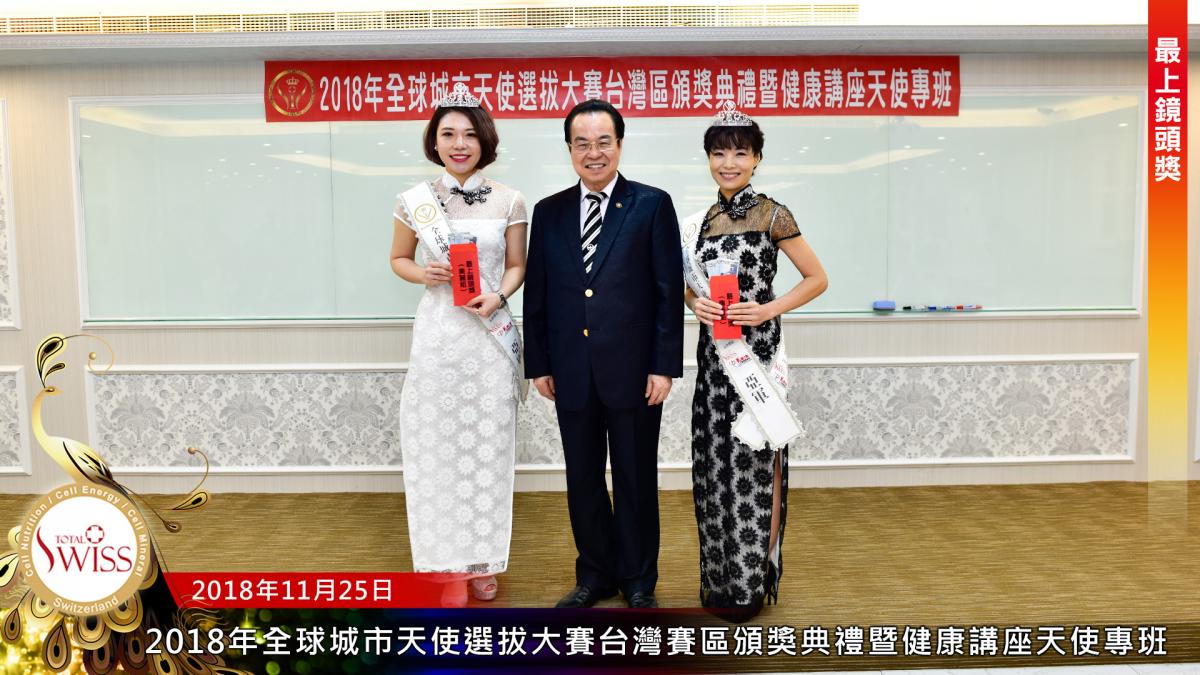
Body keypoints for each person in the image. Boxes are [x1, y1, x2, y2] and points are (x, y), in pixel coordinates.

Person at [524, 99, 683, 609]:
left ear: (619, 144)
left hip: (635, 372)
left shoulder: (651, 205)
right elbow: (538, 294)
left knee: (636, 478)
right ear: (569, 148)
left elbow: (667, 291)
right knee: (583, 479)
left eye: (603, 142)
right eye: (582, 143)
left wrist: (663, 366)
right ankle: (595, 575)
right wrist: (539, 364)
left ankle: (638, 580)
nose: (593, 153)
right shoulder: (548, 212)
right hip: (570, 369)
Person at [685, 105, 828, 621]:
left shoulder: (773, 214)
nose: (729, 163)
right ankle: (720, 580)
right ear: (708, 159)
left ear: (757, 159)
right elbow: (688, 286)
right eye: (719, 153)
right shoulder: (700, 223)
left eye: (740, 153)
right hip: (715, 357)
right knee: (715, 466)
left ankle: (750, 583)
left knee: (756, 465)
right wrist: (694, 303)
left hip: (758, 358)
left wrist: (768, 308)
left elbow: (817, 279)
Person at [390, 83, 528, 608]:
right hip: (439, 339)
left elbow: (516, 265)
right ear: (435, 141)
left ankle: (482, 562)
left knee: (488, 454)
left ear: (484, 140)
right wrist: (420, 272)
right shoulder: (414, 201)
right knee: (437, 453)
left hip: (487, 341)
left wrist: (500, 295)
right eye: (448, 134)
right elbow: (398, 259)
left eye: (469, 134)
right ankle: (445, 564)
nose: (459, 144)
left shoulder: (510, 200)